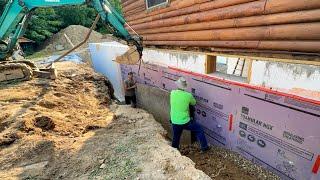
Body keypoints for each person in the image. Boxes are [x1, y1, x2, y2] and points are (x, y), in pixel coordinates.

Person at [170, 77, 209, 152]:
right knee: (199, 129)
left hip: (174, 120)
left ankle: (174, 152)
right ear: (184, 87)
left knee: (176, 136)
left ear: (177, 85)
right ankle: (204, 147)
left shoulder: (172, 93)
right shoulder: (188, 95)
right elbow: (194, 103)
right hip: (185, 122)